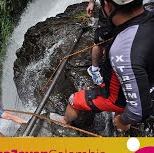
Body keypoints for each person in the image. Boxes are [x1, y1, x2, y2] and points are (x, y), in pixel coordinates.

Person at [62, 0, 154, 132]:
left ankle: (64, 122)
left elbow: (138, 110)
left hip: (117, 97)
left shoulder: (122, 53)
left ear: (108, 5)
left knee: (74, 100)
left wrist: (122, 120)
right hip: (148, 84)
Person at [86, 0, 116, 85]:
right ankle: (94, 69)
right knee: (99, 41)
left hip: (128, 10)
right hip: (108, 11)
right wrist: (91, 2)